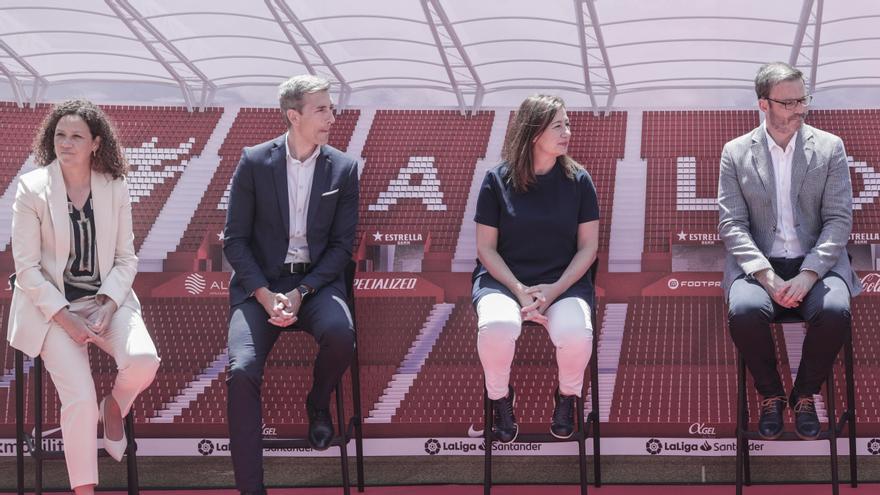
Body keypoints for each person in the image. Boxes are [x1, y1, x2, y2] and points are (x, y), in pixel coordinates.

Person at [7, 99, 160, 494]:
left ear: (96, 143)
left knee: (144, 361)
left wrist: (109, 304)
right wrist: (65, 317)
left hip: (106, 301)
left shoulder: (115, 186)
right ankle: (84, 491)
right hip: (52, 310)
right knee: (79, 397)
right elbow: (26, 270)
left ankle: (115, 406)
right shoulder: (31, 188)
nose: (66, 142)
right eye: (60, 134)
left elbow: (126, 259)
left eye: (77, 136)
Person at [224, 74, 359, 495]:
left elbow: (341, 248)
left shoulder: (344, 167)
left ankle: (318, 404)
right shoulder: (254, 161)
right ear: (293, 115)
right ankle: (252, 489)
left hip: (316, 286)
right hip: (260, 288)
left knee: (341, 335)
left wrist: (301, 294)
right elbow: (234, 240)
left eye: (331, 108)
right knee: (242, 369)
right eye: (322, 109)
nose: (332, 117)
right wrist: (266, 296)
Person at [718, 62, 861, 441]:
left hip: (818, 265)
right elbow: (731, 224)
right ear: (763, 105)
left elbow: (838, 220)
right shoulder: (735, 153)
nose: (800, 109)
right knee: (745, 311)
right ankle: (770, 394)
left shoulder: (830, 147)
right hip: (759, 266)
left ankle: (805, 393)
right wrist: (765, 275)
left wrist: (810, 272)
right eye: (789, 102)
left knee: (835, 311)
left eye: (803, 99)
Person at [472, 94, 599, 443]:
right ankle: (500, 399)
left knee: (575, 334)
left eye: (567, 123)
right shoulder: (496, 180)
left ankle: (567, 397)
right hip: (504, 282)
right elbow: (485, 248)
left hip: (563, 284)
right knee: (497, 325)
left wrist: (554, 290)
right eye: (558, 125)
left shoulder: (579, 180)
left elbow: (589, 247)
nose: (567, 132)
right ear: (533, 132)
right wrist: (519, 290)